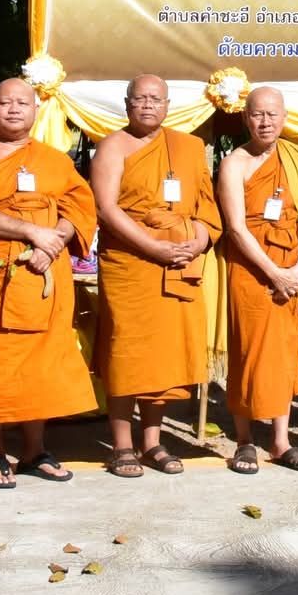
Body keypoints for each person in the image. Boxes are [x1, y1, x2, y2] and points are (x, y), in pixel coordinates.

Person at [0, 78, 98, 488]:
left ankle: (35, 450)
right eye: (6, 102)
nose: (14, 109)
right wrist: (32, 233)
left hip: (44, 277)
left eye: (22, 103)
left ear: (35, 110)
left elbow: (79, 207)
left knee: (41, 364)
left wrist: (54, 242)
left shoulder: (55, 160)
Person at [90, 74, 221, 477]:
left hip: (179, 262)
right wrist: (153, 247)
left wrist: (197, 243)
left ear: (168, 105)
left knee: (163, 356)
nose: (148, 105)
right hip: (131, 263)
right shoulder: (113, 146)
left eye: (156, 98)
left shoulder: (188, 147)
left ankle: (152, 442)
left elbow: (206, 207)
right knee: (127, 353)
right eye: (140, 98)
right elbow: (106, 208)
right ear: (127, 103)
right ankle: (122, 445)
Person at [215, 86, 298, 475]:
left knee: (285, 354)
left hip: (292, 273)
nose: (265, 121)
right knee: (249, 353)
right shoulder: (235, 163)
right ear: (246, 118)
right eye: (258, 114)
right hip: (251, 271)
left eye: (272, 114)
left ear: (284, 117)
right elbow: (236, 228)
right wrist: (274, 273)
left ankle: (281, 441)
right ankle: (244, 440)